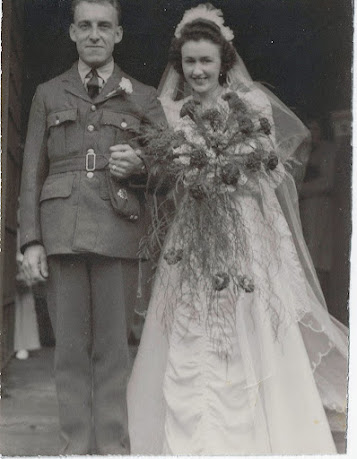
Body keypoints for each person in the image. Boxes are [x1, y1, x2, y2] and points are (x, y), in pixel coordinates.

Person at [127, 4, 348, 455]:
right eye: (190, 61)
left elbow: (270, 171)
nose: (197, 70)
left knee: (249, 322)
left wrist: (227, 170)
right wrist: (191, 172)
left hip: (243, 228)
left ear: (223, 61)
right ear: (180, 64)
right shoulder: (172, 112)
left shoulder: (251, 105)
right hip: (194, 229)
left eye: (206, 60)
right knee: (189, 319)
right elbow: (165, 174)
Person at [19, 0, 166, 454]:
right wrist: (30, 241)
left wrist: (141, 165)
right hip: (61, 231)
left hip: (119, 231)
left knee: (113, 352)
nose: (95, 34)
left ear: (119, 35)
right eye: (85, 26)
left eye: (104, 26)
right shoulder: (49, 92)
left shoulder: (142, 96)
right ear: (72, 33)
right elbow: (30, 172)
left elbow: (170, 170)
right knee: (68, 353)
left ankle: (112, 448)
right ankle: (73, 448)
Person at [299, 118, 337, 309]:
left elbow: (327, 182)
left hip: (319, 208)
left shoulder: (328, 150)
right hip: (303, 208)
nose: (310, 132)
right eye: (308, 128)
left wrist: (298, 189)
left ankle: (318, 306)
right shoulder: (303, 150)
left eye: (314, 128)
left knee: (317, 256)